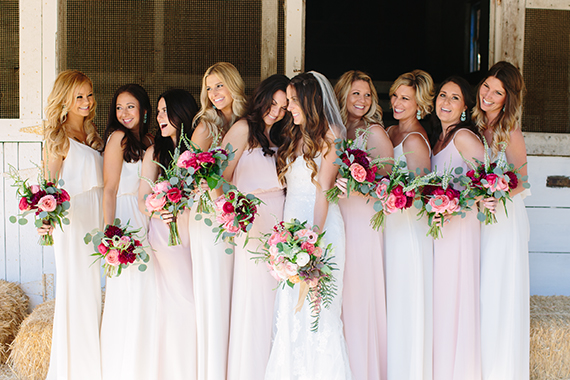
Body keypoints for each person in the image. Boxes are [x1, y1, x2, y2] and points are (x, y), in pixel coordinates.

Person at [266, 71, 352, 379]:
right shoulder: (294, 136)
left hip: (320, 229)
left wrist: (311, 242)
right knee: (290, 310)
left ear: (309, 100)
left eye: (292, 100)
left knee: (320, 313)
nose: (288, 107)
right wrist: (287, 240)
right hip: (290, 230)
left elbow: (324, 192)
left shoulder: (332, 135)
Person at [222, 74, 289, 380]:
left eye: (284, 106)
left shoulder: (282, 136)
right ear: (261, 97)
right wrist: (234, 212)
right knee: (255, 298)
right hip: (251, 222)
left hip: (280, 221)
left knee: (277, 297)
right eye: (273, 103)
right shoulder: (242, 129)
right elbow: (218, 179)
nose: (277, 111)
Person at [39, 69, 104, 380]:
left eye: (89, 95)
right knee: (75, 291)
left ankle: (92, 363)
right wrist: (45, 221)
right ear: (65, 99)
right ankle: (75, 370)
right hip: (73, 220)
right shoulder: (58, 138)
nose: (86, 101)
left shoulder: (93, 136)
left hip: (95, 219)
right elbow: (47, 187)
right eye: (79, 96)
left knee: (92, 292)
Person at [333, 70, 393, 380]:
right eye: (356, 93)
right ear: (343, 94)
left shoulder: (374, 132)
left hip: (363, 220)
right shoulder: (336, 130)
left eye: (367, 94)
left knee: (359, 292)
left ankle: (366, 368)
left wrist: (358, 186)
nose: (363, 100)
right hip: (338, 216)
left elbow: (388, 182)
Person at [189, 62, 247, 380]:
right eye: (209, 88)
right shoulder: (205, 127)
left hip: (239, 214)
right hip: (210, 217)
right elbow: (188, 174)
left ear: (233, 86)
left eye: (220, 85)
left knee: (237, 290)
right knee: (216, 289)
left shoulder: (246, 122)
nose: (214, 93)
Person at [138, 89, 198, 379]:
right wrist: (159, 207)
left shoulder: (197, 152)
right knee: (183, 300)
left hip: (194, 232)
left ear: (181, 113)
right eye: (159, 112)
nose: (159, 117)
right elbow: (142, 198)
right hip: (166, 234)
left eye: (165, 111)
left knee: (195, 299)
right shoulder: (155, 152)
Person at [475, 61, 530, 380]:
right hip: (479, 216)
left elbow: (522, 180)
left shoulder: (509, 132)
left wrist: (498, 192)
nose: (489, 95)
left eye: (498, 92)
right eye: (487, 87)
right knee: (480, 289)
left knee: (498, 289)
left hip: (504, 218)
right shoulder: (474, 127)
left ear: (508, 98)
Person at [100, 83, 156, 380]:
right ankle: (121, 369)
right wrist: (110, 235)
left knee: (147, 292)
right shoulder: (118, 138)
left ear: (144, 111)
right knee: (128, 292)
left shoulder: (147, 140)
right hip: (124, 218)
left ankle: (143, 363)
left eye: (131, 107)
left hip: (145, 218)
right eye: (119, 107)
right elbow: (109, 189)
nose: (124, 113)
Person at [430, 76, 485, 380]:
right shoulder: (438, 138)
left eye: (454, 98)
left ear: (465, 107)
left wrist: (454, 202)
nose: (445, 102)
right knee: (442, 301)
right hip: (441, 230)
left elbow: (488, 181)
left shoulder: (463, 136)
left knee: (456, 297)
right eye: (442, 95)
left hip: (460, 230)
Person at [384, 69, 434, 380]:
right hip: (389, 228)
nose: (397, 102)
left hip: (408, 230)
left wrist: (389, 192)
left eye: (406, 99)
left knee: (406, 300)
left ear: (420, 105)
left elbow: (420, 194)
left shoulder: (415, 139)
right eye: (395, 95)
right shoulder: (390, 132)